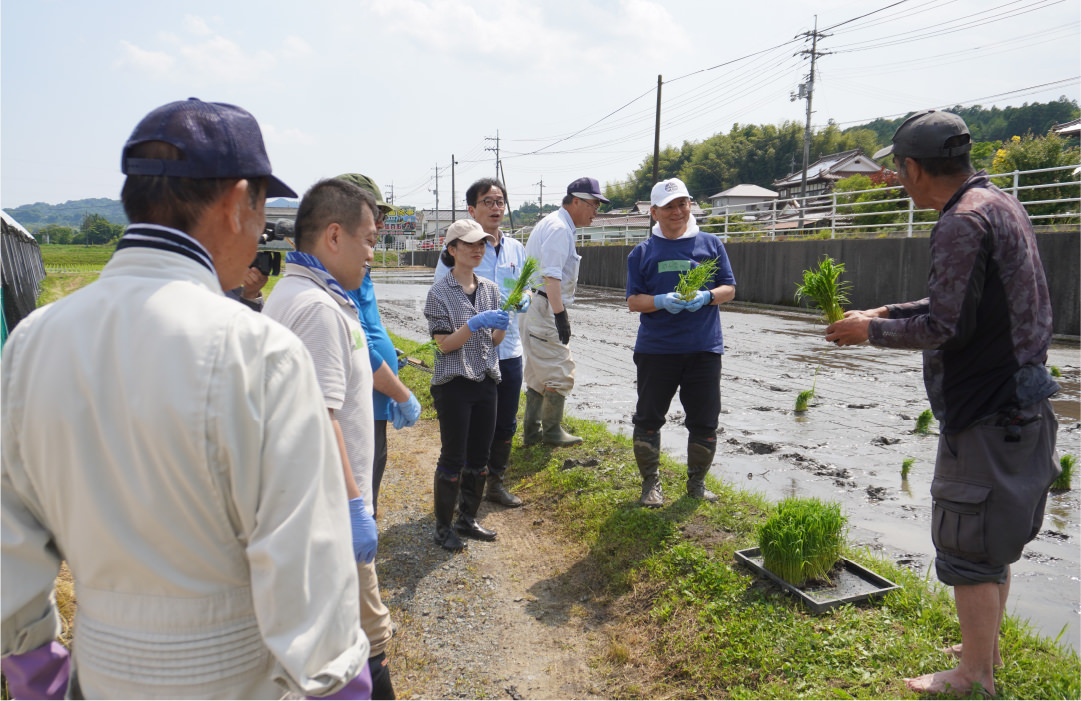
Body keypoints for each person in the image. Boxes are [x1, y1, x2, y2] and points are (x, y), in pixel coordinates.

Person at [0, 98, 372, 698]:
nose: (262, 233)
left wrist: (32, 663)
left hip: (97, 673)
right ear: (235, 203)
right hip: (232, 676)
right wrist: (341, 683)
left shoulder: (32, 342)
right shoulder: (262, 354)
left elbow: (8, 535)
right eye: (261, 211)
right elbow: (307, 573)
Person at [825, 109, 1060, 697]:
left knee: (967, 542)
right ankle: (987, 648)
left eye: (899, 171)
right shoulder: (998, 204)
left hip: (985, 407)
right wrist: (885, 311)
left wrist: (869, 333)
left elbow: (946, 325)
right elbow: (959, 301)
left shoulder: (959, 223)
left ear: (913, 167)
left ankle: (973, 673)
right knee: (993, 538)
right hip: (1022, 402)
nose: (900, 182)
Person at [262, 178, 397, 699]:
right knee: (367, 638)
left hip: (316, 507)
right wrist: (354, 504)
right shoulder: (317, 309)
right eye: (368, 238)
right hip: (331, 513)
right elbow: (322, 416)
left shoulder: (304, 293)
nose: (372, 251)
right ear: (334, 236)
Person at [626, 178, 736, 508]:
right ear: (654, 212)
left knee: (704, 418)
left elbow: (729, 289)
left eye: (683, 203)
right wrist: (660, 300)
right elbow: (633, 301)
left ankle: (697, 484)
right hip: (657, 349)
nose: (678, 211)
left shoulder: (711, 245)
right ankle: (650, 484)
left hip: (703, 347)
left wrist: (707, 296)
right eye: (669, 206)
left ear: (690, 205)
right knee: (648, 417)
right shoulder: (642, 252)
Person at [435, 178, 529, 507]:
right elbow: (441, 299)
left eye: (500, 201)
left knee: (505, 422)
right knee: (471, 428)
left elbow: (524, 285)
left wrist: (525, 297)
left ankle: (496, 482)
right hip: (470, 355)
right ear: (472, 209)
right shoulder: (458, 249)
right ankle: (464, 489)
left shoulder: (516, 248)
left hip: (509, 348)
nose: (495, 208)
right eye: (487, 202)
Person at [336, 173, 422, 518]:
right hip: (363, 389)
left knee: (373, 463)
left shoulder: (360, 260)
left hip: (374, 389)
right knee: (361, 473)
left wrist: (390, 351)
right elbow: (355, 342)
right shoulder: (344, 266)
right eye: (376, 213)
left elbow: (367, 326)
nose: (382, 222)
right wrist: (401, 392)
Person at [423, 219, 510, 551]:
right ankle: (443, 527)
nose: (478, 249)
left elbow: (496, 339)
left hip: (486, 379)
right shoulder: (439, 293)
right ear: (452, 249)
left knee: (479, 456)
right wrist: (473, 324)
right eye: (470, 244)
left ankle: (467, 519)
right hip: (454, 383)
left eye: (482, 244)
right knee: (453, 456)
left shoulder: (489, 288)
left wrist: (504, 319)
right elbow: (442, 345)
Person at [518, 176, 607, 447]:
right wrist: (560, 315)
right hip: (544, 305)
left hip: (533, 305)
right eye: (593, 205)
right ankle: (552, 432)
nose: (596, 212)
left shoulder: (553, 223)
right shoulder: (559, 228)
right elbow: (551, 276)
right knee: (560, 370)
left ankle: (533, 432)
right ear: (576, 201)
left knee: (536, 372)